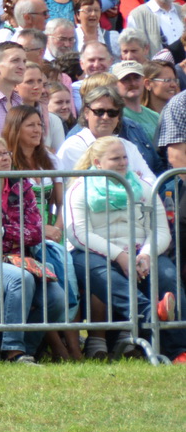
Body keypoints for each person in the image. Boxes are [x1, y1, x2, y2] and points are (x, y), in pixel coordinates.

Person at [0, 135, 68, 363]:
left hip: (17, 258)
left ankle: (27, 350)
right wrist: (17, 236)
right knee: (21, 280)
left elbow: (37, 231)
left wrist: (1, 231)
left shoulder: (21, 184)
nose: (5, 158)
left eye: (6, 152)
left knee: (56, 297)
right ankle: (13, 350)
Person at [64, 136, 177, 361]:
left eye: (124, 157)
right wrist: (121, 257)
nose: (123, 162)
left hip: (139, 251)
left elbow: (161, 231)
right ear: (97, 162)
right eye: (115, 158)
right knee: (103, 273)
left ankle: (177, 348)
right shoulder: (79, 188)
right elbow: (78, 234)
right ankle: (149, 312)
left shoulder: (144, 186)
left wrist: (145, 254)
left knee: (167, 275)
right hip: (92, 253)